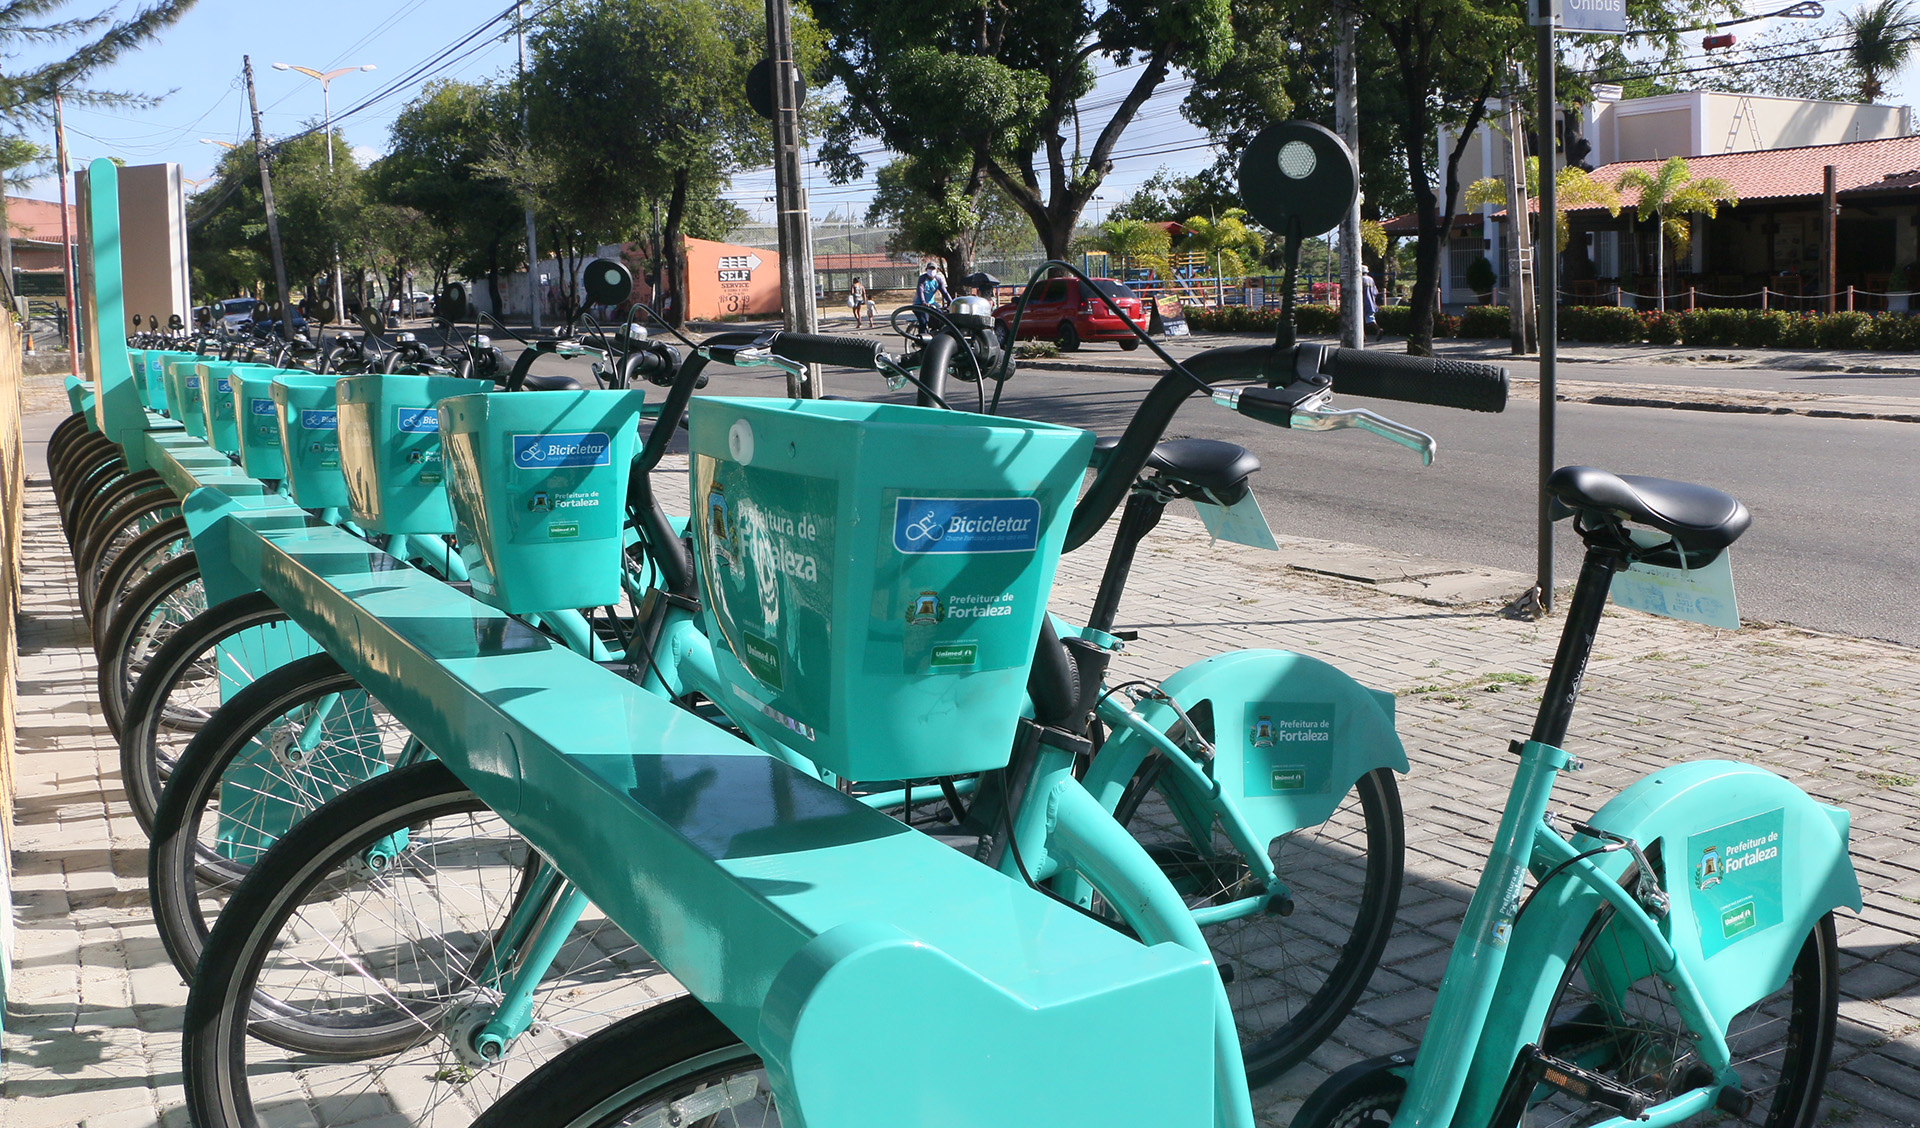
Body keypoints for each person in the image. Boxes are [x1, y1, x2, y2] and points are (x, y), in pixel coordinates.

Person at [913, 262, 950, 330]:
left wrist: (950, 302)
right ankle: (922, 338)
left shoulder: (938, 280)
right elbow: (920, 291)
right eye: (929, 269)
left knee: (940, 318)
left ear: (936, 270)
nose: (931, 271)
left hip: (931, 303)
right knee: (923, 321)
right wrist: (923, 302)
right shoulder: (922, 279)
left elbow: (944, 292)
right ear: (926, 270)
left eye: (933, 269)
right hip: (919, 304)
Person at [1361, 264, 1380, 331]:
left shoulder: (1360, 279)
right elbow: (1375, 292)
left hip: (1363, 302)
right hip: (1371, 302)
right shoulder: (1371, 279)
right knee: (1369, 318)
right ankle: (1363, 336)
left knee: (1364, 319)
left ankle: (1378, 330)